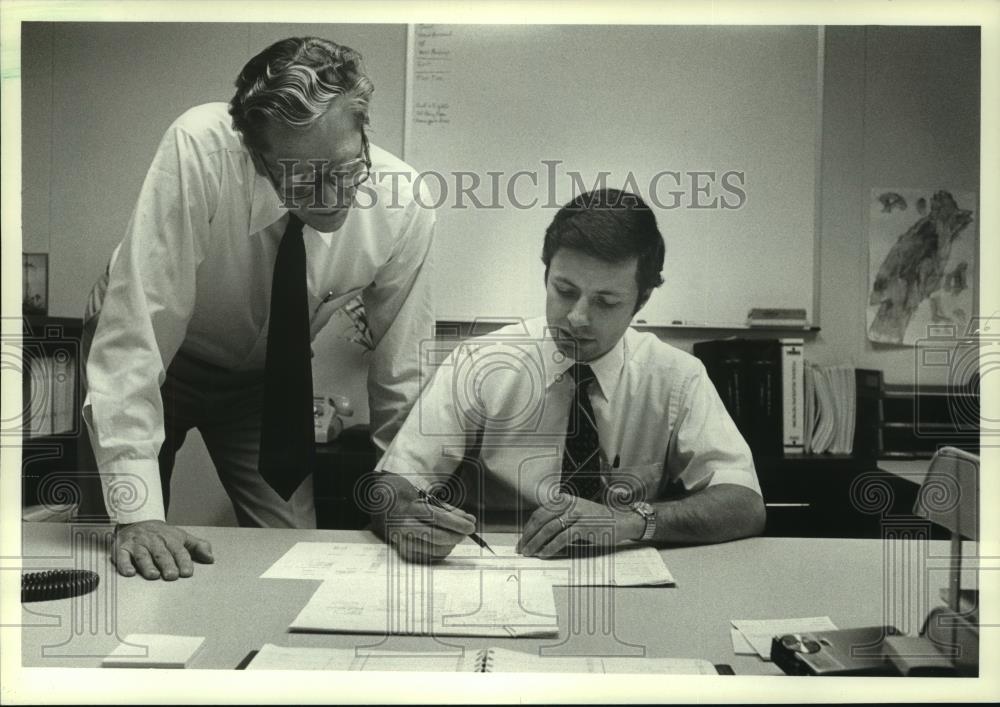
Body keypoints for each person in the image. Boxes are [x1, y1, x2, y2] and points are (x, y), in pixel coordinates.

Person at [83, 37, 436, 580]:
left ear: (363, 128)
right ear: (255, 154)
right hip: (157, 360)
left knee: (293, 559)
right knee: (124, 544)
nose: (330, 196)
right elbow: (138, 333)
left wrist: (404, 484)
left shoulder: (403, 202)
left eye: (345, 169)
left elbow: (401, 367)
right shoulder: (199, 149)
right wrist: (136, 516)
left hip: (263, 383)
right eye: (302, 177)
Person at [368, 188, 765, 560]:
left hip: (621, 571)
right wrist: (402, 516)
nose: (577, 318)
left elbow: (744, 504)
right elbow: (394, 483)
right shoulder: (480, 363)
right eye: (564, 291)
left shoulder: (676, 377)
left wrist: (630, 521)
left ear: (641, 301)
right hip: (496, 566)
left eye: (606, 302)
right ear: (546, 276)